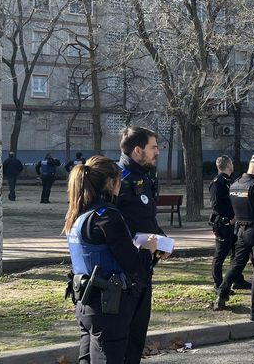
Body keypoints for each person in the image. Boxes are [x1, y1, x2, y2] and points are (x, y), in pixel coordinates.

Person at [63, 155, 158, 364]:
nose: (120, 187)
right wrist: (148, 250)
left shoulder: (80, 214)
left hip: (85, 302)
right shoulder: (108, 217)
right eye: (119, 181)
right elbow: (133, 264)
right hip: (109, 306)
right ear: (110, 182)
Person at [116, 126, 164, 357]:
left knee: (136, 337)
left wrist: (163, 242)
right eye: (153, 147)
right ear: (138, 150)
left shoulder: (143, 177)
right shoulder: (117, 180)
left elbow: (146, 219)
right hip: (124, 274)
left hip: (144, 268)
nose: (157, 152)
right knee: (121, 341)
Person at [214, 154, 254, 321]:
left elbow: (244, 205)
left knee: (237, 263)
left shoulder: (234, 185)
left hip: (240, 230)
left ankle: (222, 291)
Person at [207, 155, 250, 293]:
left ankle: (237, 279)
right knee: (220, 254)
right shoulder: (217, 182)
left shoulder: (229, 181)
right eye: (231, 162)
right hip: (223, 224)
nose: (233, 165)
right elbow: (216, 205)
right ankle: (218, 283)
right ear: (228, 165)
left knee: (237, 253)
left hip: (234, 223)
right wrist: (230, 218)